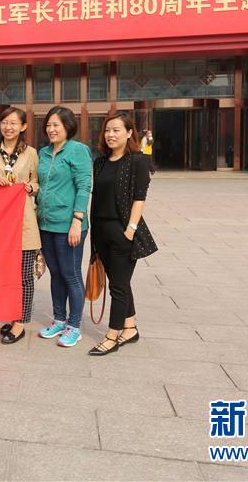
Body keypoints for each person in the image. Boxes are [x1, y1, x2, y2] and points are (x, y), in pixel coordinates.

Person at [88, 112, 158, 356]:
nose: (111, 135)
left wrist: (130, 229)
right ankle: (130, 327)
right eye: (108, 130)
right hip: (101, 232)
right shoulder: (100, 162)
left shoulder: (138, 161)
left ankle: (112, 335)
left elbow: (140, 198)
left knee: (117, 286)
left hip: (122, 232)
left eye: (117, 130)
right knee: (121, 282)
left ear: (129, 133)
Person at [35, 107, 92, 348]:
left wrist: (77, 221)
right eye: (49, 125)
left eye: (56, 125)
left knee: (71, 274)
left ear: (68, 126)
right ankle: (59, 319)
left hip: (69, 224)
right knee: (56, 274)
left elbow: (83, 185)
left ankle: (74, 326)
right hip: (46, 224)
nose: (51, 129)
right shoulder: (44, 152)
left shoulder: (78, 150)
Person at [0, 108, 40, 345]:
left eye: (14, 123)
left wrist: (30, 187)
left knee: (25, 275)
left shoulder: (31, 153)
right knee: (3, 273)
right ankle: (9, 314)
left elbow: (37, 182)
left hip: (24, 219)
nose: (8, 127)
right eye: (5, 122)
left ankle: (20, 323)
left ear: (23, 127)